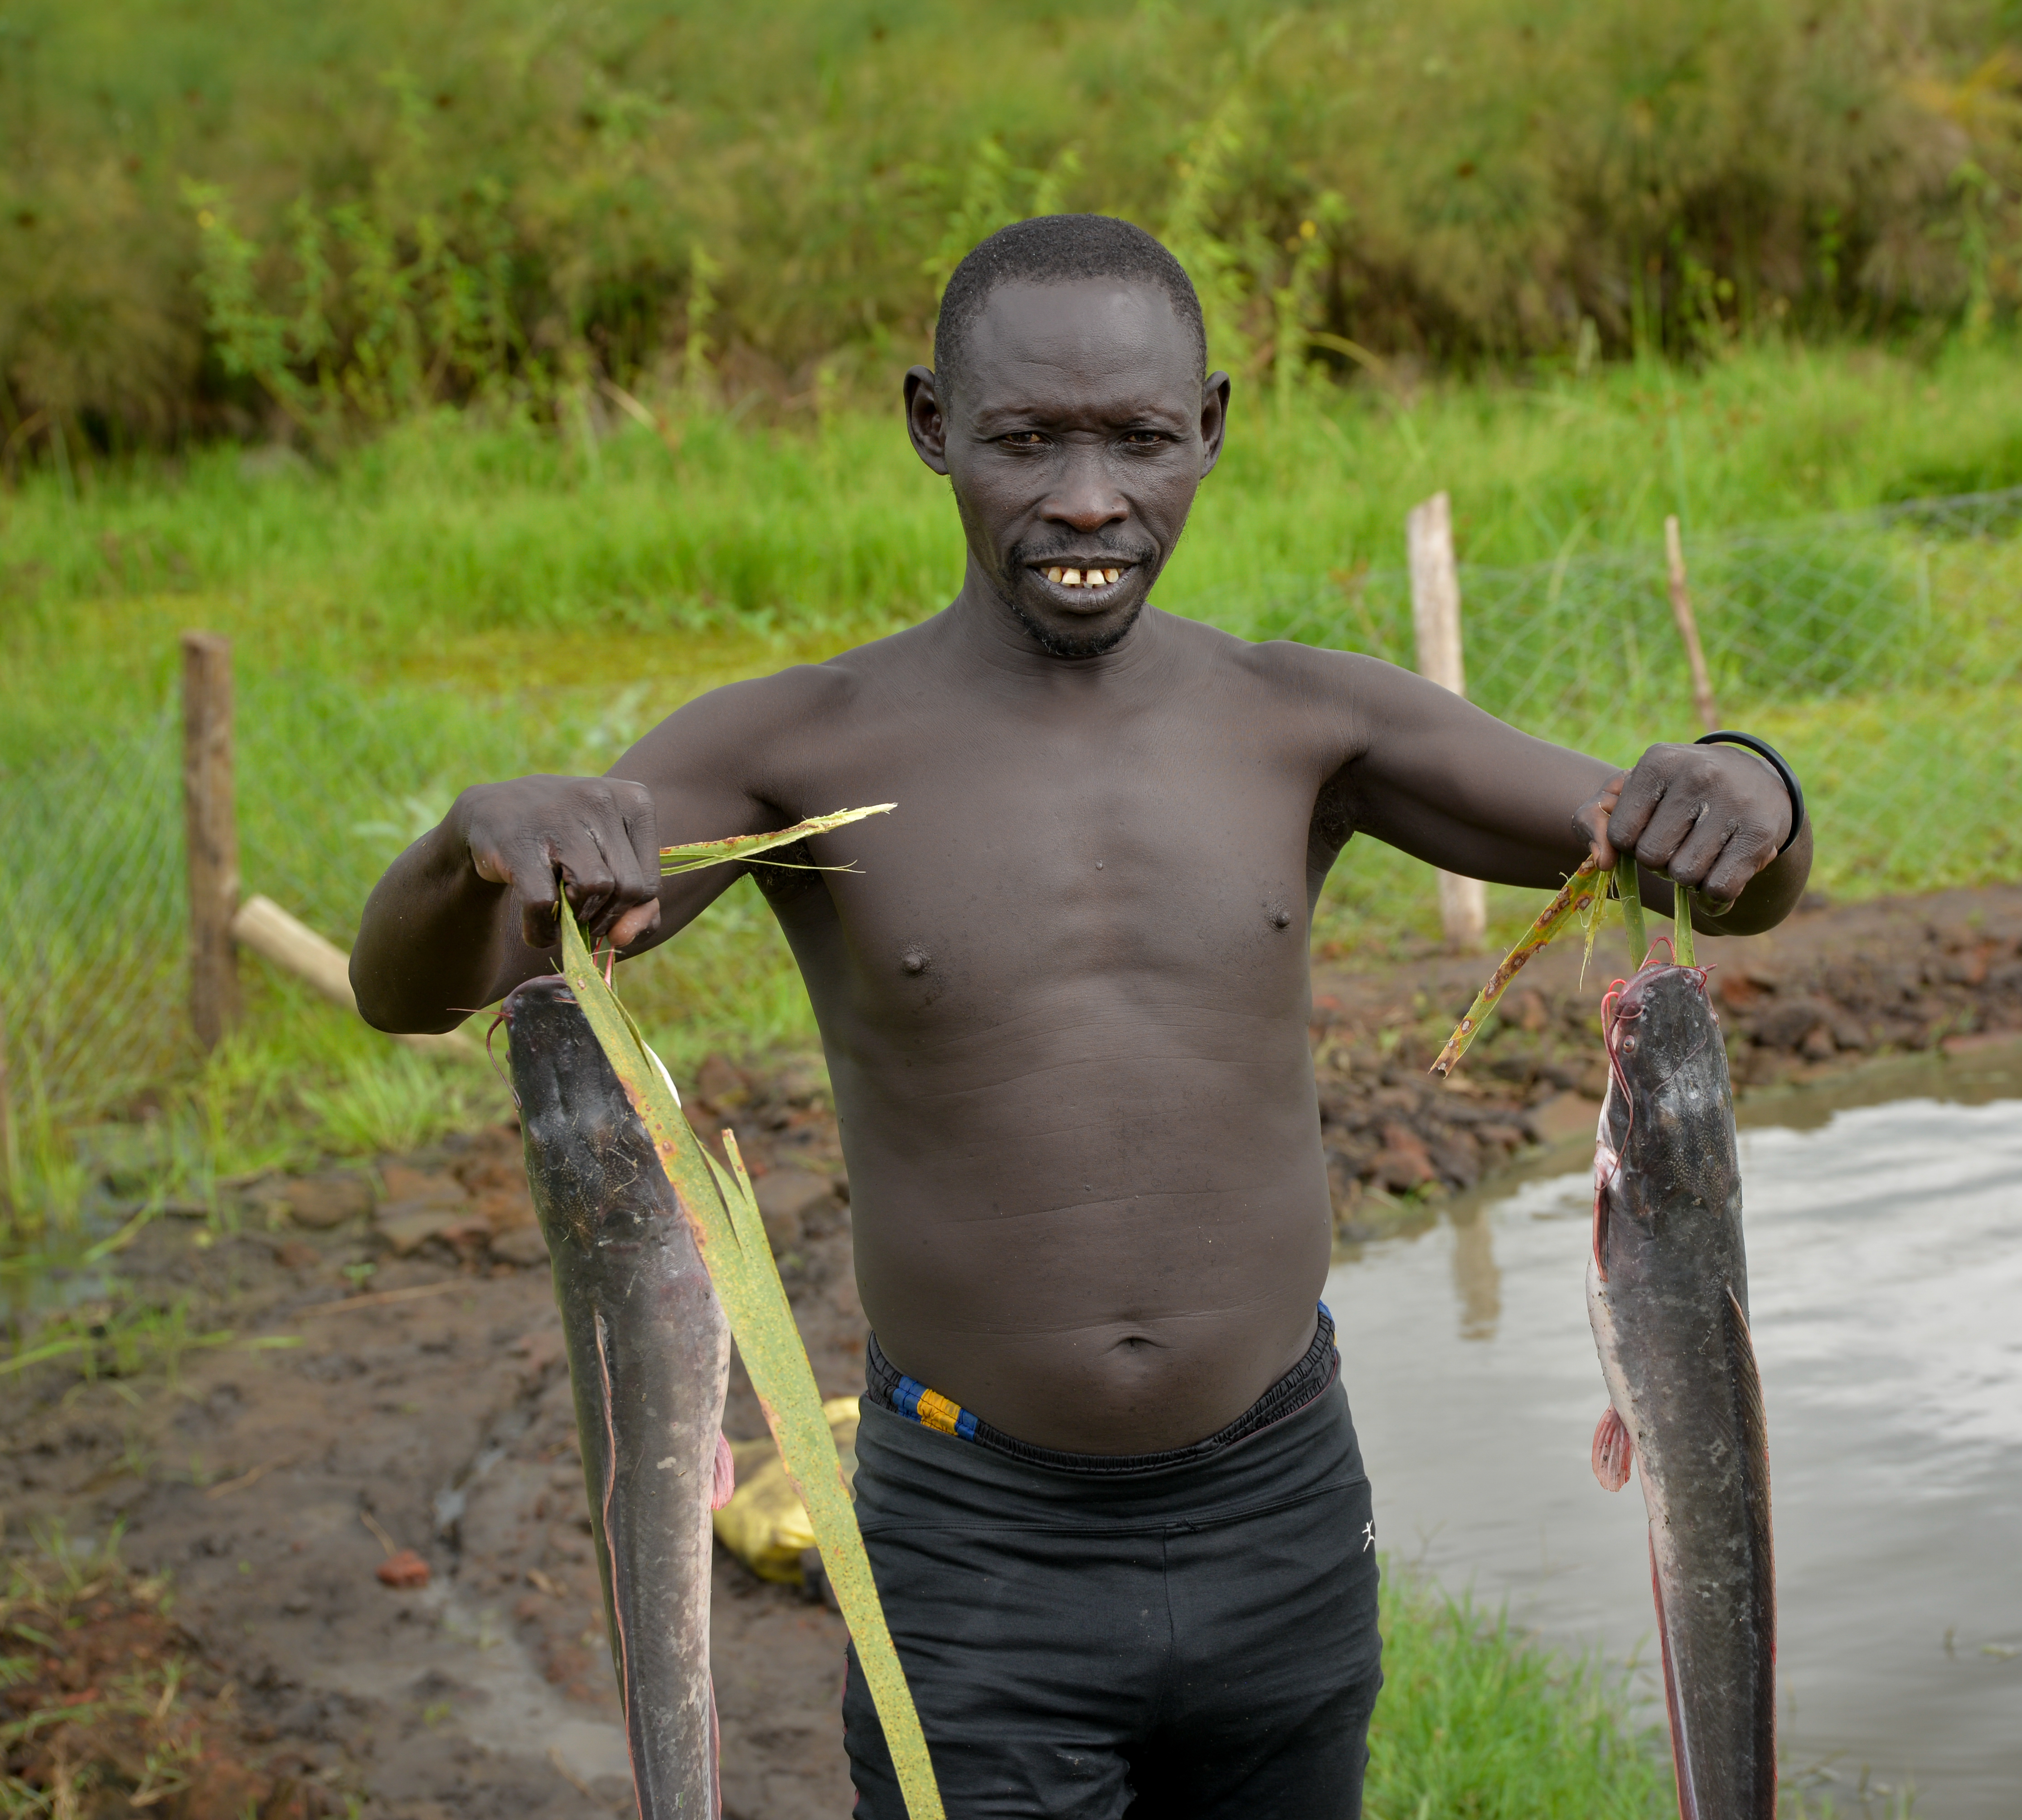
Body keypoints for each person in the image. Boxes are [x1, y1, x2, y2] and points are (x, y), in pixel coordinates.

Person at [351, 213, 1810, 1820]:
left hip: (1283, 1514)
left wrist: (1749, 780)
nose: (1089, 499)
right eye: (1026, 441)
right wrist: (466, 844)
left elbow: (1720, 872)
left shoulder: (1304, 719)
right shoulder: (802, 747)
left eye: (1138, 439)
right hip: (974, 1551)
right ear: (931, 429)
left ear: (1213, 429)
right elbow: (422, 989)